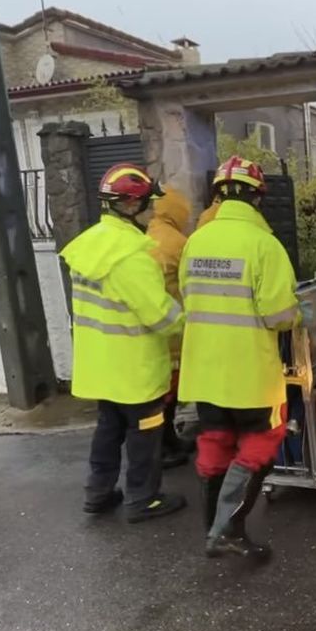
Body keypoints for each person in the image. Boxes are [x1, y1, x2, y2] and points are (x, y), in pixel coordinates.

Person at [178, 156, 300, 560]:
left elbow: (188, 296)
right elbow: (279, 316)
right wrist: (299, 315)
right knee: (259, 449)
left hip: (204, 373)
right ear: (257, 198)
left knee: (215, 445)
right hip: (250, 375)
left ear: (218, 196)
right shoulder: (264, 245)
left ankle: (212, 530)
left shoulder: (196, 241)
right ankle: (228, 530)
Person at [60, 163, 187, 522]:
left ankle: (98, 492)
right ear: (130, 206)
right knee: (145, 433)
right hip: (135, 370)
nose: (153, 213)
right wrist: (190, 322)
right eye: (149, 205)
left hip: (101, 366)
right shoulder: (131, 257)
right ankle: (143, 499)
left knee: (108, 429)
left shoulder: (89, 246)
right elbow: (161, 316)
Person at [144, 186, 194, 468]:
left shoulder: (146, 236)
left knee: (162, 393)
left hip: (153, 330)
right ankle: (164, 447)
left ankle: (168, 441)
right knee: (168, 394)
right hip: (174, 328)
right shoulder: (178, 243)